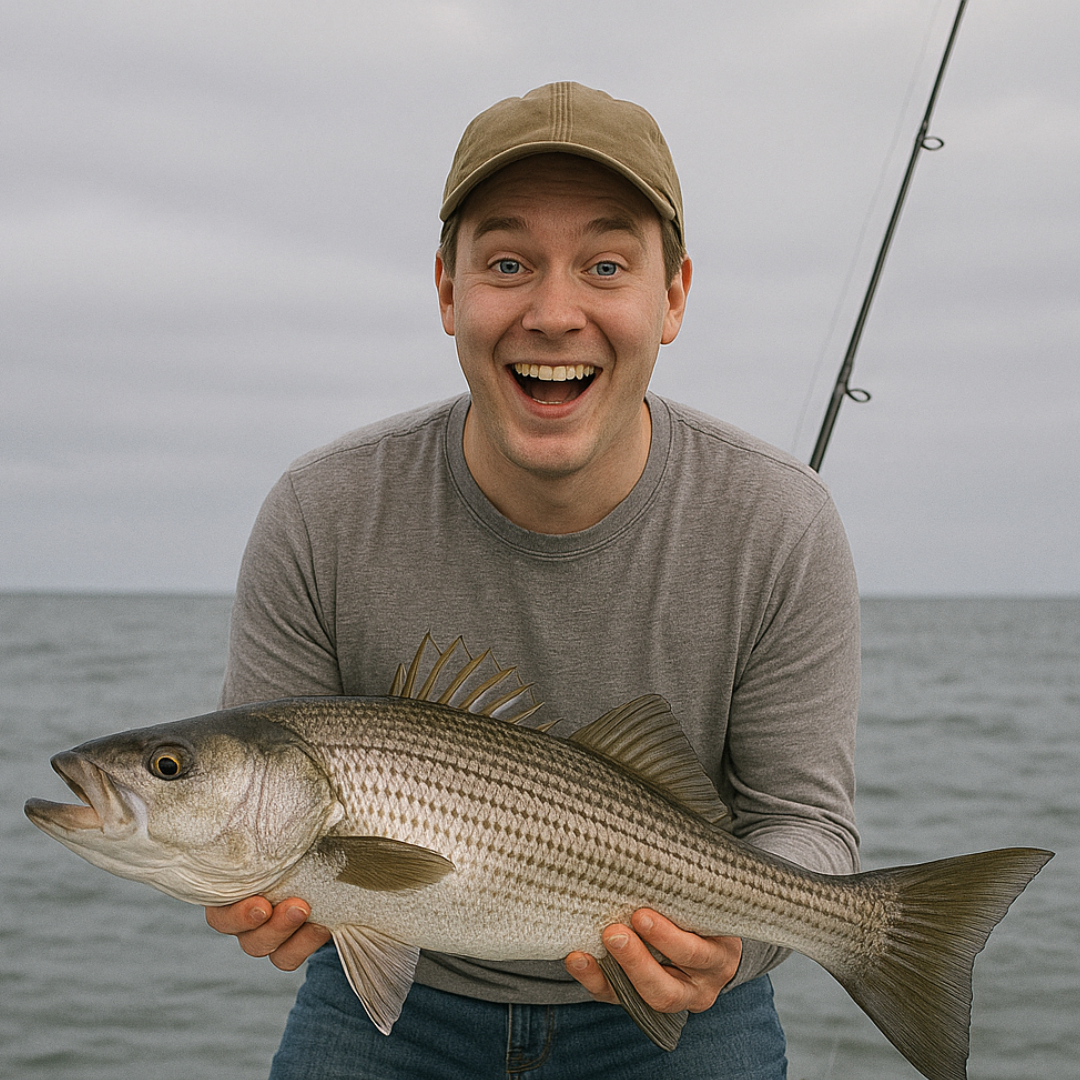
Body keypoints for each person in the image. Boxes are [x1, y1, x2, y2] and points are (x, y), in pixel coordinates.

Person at [207, 82, 860, 1079]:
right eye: (508, 264)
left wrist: (738, 944)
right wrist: (257, 892)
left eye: (606, 266)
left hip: (684, 1009)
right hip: (393, 991)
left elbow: (806, 825)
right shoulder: (318, 511)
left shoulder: (783, 520)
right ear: (447, 291)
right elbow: (261, 794)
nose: (555, 315)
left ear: (674, 297)